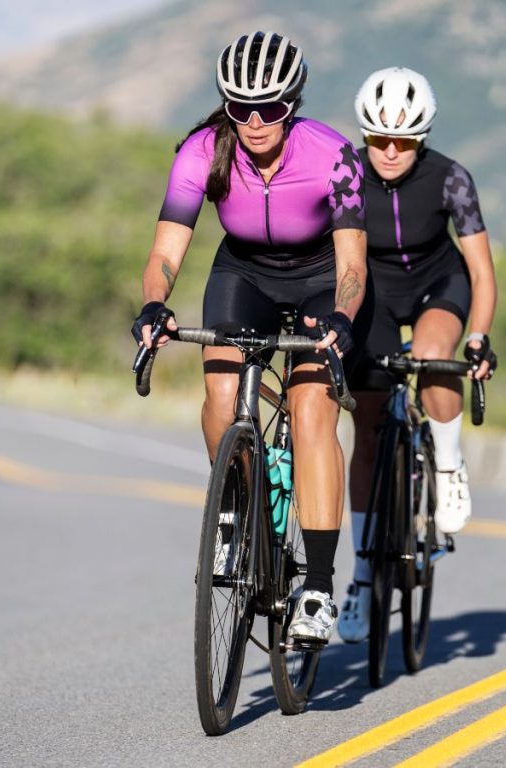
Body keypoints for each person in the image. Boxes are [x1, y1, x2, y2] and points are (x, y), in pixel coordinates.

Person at [131, 32, 369, 645]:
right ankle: (237, 515)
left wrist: (343, 317)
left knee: (311, 410)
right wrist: (154, 304)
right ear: (226, 105)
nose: (256, 121)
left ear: (293, 103)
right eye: (241, 107)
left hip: (320, 278)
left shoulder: (334, 155)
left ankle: (317, 587)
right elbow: (166, 251)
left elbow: (352, 265)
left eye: (271, 107)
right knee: (220, 393)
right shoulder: (201, 151)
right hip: (243, 273)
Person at [338, 67, 498, 643]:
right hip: (375, 292)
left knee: (432, 356)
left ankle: (449, 467)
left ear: (421, 137)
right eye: (378, 138)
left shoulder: (452, 178)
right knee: (369, 427)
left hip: (438, 284)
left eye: (403, 141)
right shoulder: (346, 172)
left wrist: (478, 336)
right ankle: (361, 578)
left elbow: (481, 271)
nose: (389, 151)